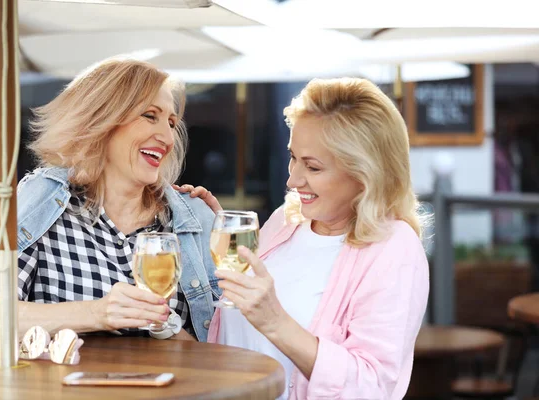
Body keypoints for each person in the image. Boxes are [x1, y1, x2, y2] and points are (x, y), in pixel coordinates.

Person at [177, 78, 430, 399]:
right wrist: (219, 229)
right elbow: (247, 303)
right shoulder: (289, 217)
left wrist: (276, 322)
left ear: (365, 173)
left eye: (312, 166)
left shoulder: (394, 249)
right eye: (293, 157)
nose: (292, 179)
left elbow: (372, 387)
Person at [0, 57, 220, 343]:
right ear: (102, 119)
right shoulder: (47, 200)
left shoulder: (193, 218)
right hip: (61, 388)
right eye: (150, 116)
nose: (167, 137)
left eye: (171, 123)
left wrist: (164, 323)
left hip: (173, 387)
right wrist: (97, 314)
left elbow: (227, 344)